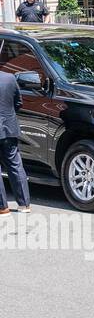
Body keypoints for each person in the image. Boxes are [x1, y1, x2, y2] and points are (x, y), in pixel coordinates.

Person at [0, 69, 32, 215]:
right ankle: (24, 204)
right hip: (9, 127)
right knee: (15, 164)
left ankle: (3, 207)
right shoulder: (10, 78)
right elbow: (18, 103)